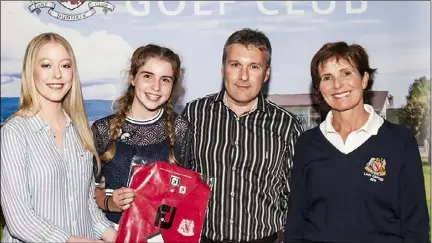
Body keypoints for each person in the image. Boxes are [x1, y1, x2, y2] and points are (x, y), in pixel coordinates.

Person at [284, 42, 430, 242]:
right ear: (319, 88)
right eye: (327, 77)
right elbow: (296, 224)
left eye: (346, 73)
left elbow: (416, 227)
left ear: (364, 79)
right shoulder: (307, 144)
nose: (337, 85)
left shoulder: (400, 141)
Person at [182, 28, 303, 243]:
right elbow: (180, 180)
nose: (243, 76)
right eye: (235, 65)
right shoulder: (194, 114)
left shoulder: (286, 125)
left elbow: (295, 194)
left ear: (266, 74)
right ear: (223, 69)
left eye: (254, 67)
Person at [0, 32, 117, 243]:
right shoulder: (14, 132)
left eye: (65, 65)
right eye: (46, 65)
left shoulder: (80, 131)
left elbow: (87, 207)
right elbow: (19, 220)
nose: (57, 75)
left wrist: (120, 239)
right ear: (30, 72)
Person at [91, 44, 191, 226]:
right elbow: (88, 189)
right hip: (111, 232)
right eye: (147, 76)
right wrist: (110, 203)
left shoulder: (181, 129)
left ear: (173, 86)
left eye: (165, 80)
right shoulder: (103, 129)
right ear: (132, 78)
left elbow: (188, 193)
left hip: (159, 234)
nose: (156, 87)